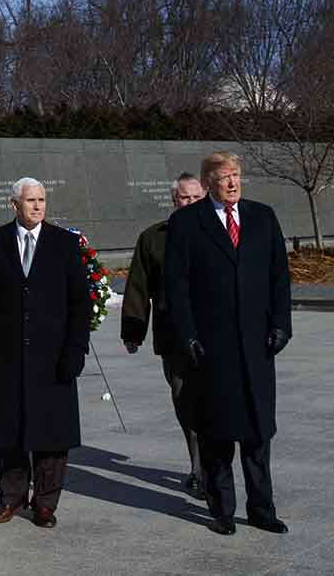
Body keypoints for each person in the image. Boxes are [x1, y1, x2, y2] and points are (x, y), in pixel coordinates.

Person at [165, 151, 293, 536]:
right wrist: (187, 334)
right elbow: (177, 286)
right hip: (211, 348)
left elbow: (279, 277)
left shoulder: (262, 217)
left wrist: (281, 325)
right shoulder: (188, 222)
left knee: (257, 433)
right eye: (224, 177)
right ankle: (222, 510)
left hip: (256, 346)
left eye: (236, 175)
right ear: (208, 184)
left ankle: (262, 509)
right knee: (217, 432)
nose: (233, 183)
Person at [0, 177, 91, 529]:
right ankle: (11, 500)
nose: (37, 206)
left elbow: (79, 303)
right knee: (10, 433)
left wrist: (75, 351)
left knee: (51, 436)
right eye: (30, 200)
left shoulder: (64, 244)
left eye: (41, 200)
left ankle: (45, 505)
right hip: (8, 357)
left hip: (53, 358)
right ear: (14, 205)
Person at [122, 171, 209, 495]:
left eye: (196, 197)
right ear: (174, 201)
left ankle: (216, 468)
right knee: (184, 400)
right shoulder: (153, 238)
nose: (189, 203)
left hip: (216, 335)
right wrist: (133, 329)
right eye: (184, 198)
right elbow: (138, 285)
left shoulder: (220, 232)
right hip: (174, 338)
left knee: (215, 403)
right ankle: (199, 468)